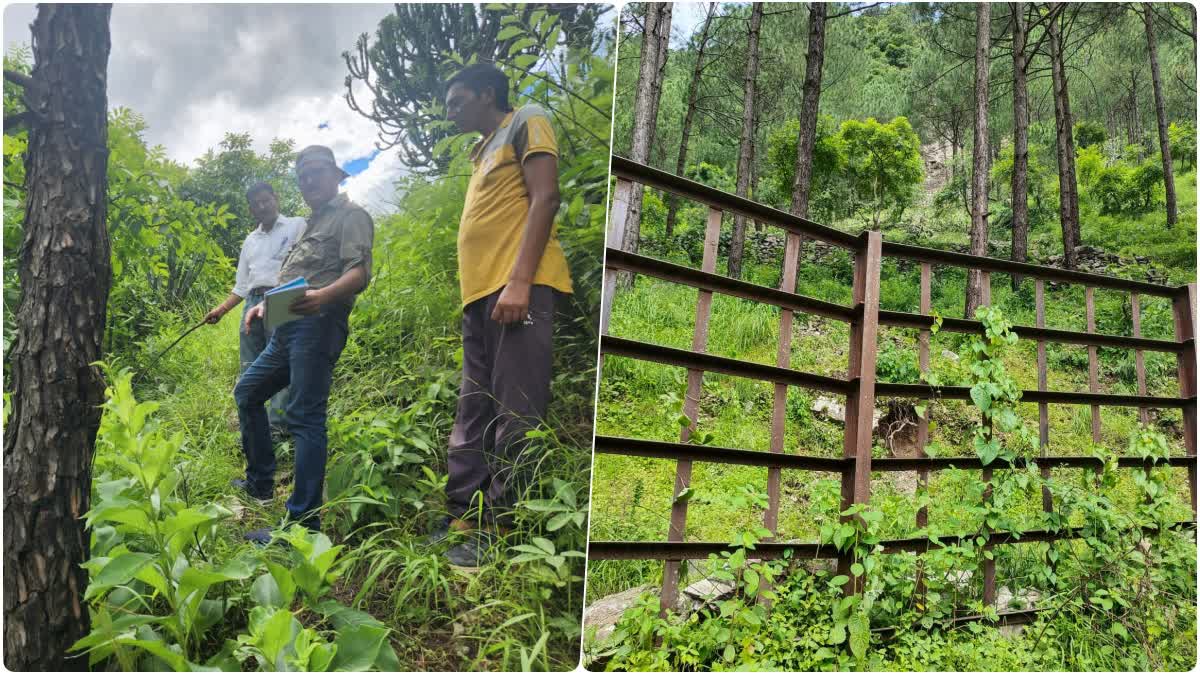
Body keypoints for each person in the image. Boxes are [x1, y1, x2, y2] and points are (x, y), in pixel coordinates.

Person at [434, 63, 573, 567]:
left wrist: (518, 281)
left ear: (486, 94)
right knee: (474, 407)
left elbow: (545, 197)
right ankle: (463, 516)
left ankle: (503, 527)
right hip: (481, 298)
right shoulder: (481, 150)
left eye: (456, 101)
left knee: (516, 408)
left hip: (520, 289)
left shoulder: (526, 120)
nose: (449, 111)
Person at [233, 145, 374, 544]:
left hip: (319, 324)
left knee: (304, 417)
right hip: (286, 326)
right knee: (247, 391)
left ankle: (302, 525)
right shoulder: (311, 224)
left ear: (336, 175)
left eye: (316, 172)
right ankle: (261, 482)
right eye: (302, 176)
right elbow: (296, 277)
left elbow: (359, 272)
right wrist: (264, 309)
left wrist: (324, 295)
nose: (309, 181)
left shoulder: (352, 216)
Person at [204, 182, 305, 433]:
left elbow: (304, 268)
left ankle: (278, 429)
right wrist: (220, 310)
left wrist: (280, 296)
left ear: (276, 198)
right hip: (252, 302)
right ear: (251, 210)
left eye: (265, 200)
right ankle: (254, 428)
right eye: (256, 204)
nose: (262, 206)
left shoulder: (296, 225)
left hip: (283, 297)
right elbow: (242, 286)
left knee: (281, 364)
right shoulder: (251, 240)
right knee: (250, 366)